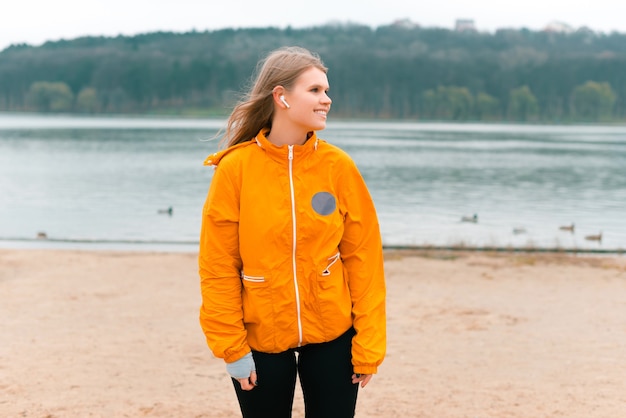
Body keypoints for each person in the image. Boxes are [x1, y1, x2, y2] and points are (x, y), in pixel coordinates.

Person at [198, 46, 386, 418]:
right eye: (315, 90)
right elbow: (218, 266)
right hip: (261, 334)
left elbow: (364, 259)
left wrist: (370, 343)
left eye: (327, 90)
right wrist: (231, 347)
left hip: (333, 333)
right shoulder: (235, 169)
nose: (327, 100)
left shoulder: (338, 167)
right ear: (281, 97)